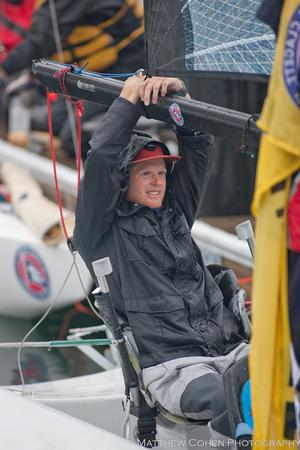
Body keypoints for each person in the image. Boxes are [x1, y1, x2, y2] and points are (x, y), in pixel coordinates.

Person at [74, 75, 249, 440]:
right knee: (235, 397)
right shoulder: (101, 234)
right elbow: (103, 157)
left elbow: (198, 146)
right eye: (145, 174)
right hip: (176, 370)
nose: (157, 181)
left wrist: (178, 98)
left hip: (233, 352)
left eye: (160, 173)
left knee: (275, 382)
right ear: (124, 181)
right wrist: (128, 103)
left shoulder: (176, 215)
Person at [0, 0, 144, 158]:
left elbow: (41, 39)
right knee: (47, 122)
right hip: (98, 69)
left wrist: (5, 69)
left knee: (73, 138)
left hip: (127, 68)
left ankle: (124, 166)